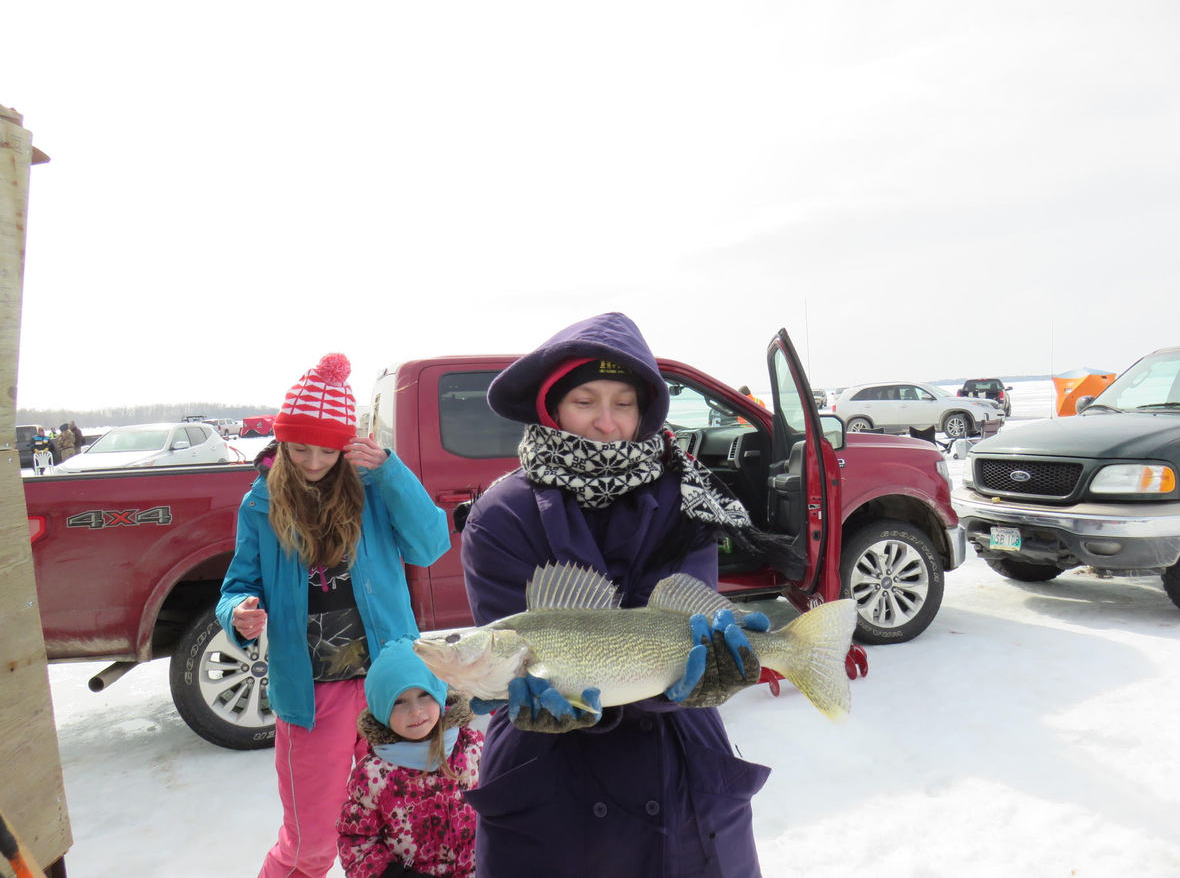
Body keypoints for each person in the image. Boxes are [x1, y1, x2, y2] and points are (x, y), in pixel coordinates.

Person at [460, 312, 794, 877]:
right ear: (552, 407)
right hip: (550, 769)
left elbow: (686, 614)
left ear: (644, 412)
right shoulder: (501, 512)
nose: (606, 422)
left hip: (677, 761)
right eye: (585, 401)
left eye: (623, 403)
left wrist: (708, 673)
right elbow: (507, 647)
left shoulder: (687, 494)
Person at [216, 352, 451, 878]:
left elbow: (430, 544)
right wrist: (241, 612)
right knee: (312, 843)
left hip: (394, 688)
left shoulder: (374, 487)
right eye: (300, 449)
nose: (315, 461)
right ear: (281, 443)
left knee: (402, 828)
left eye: (328, 450)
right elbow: (238, 586)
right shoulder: (260, 504)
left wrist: (391, 471)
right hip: (312, 694)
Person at [337, 636, 482, 878]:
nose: (415, 711)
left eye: (423, 695)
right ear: (381, 709)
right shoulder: (373, 775)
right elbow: (357, 842)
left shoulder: (473, 749)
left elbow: (507, 807)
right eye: (399, 702)